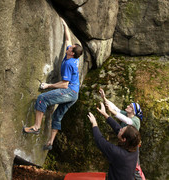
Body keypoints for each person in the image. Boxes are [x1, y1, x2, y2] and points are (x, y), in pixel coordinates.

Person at [23, 19, 83, 151]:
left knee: (42, 99)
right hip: (75, 94)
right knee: (57, 116)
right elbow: (68, 41)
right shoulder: (73, 56)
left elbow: (64, 84)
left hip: (69, 91)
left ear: (72, 53)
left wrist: (47, 86)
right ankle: (50, 142)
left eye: (72, 48)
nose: (70, 46)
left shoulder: (68, 64)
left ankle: (36, 127)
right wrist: (65, 24)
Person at [99, 88, 145, 180]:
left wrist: (110, 112)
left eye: (130, 106)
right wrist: (104, 98)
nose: (128, 106)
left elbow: (125, 120)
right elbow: (116, 108)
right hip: (125, 145)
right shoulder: (126, 114)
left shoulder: (135, 120)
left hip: (132, 148)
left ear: (133, 111)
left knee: (136, 168)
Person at [87, 102, 141, 180]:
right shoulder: (134, 147)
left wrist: (94, 123)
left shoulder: (117, 153)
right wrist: (105, 114)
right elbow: (117, 128)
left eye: (122, 130)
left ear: (124, 139)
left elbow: (100, 140)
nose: (120, 129)